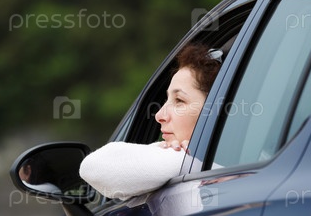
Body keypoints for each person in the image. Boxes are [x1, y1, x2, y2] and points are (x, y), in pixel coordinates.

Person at [79, 43, 222, 200]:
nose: (159, 115)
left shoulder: (212, 175)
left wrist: (184, 160)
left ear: (216, 111)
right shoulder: (216, 175)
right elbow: (92, 166)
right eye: (167, 99)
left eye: (179, 100)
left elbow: (92, 168)